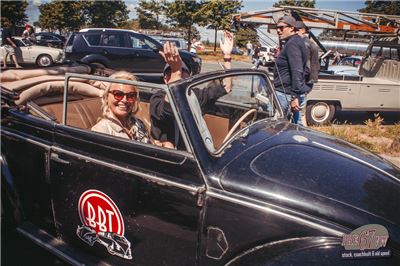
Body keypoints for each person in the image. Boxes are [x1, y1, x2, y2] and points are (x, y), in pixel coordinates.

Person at [150, 31, 233, 149]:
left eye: (184, 75)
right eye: (174, 74)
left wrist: (227, 57)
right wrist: (175, 71)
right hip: (173, 155)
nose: (180, 77)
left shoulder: (194, 95)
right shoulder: (158, 98)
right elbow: (168, 110)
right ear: (165, 78)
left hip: (197, 152)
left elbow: (226, 87)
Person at [91, 71, 150, 143]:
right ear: (107, 96)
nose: (125, 100)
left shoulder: (138, 123)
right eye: (118, 94)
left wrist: (160, 144)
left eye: (131, 95)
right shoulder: (101, 131)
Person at [273, 16, 310, 125]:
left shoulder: (293, 44)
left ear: (292, 28)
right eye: (277, 28)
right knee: (296, 127)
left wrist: (294, 96)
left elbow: (297, 70)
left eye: (281, 28)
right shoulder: (295, 41)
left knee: (276, 127)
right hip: (290, 93)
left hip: (286, 94)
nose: (278, 31)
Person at [294, 21, 320, 126]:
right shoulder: (310, 42)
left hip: (303, 82)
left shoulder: (304, 43)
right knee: (301, 113)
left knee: (299, 115)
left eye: (295, 30)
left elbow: (306, 67)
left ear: (301, 30)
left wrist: (298, 81)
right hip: (308, 82)